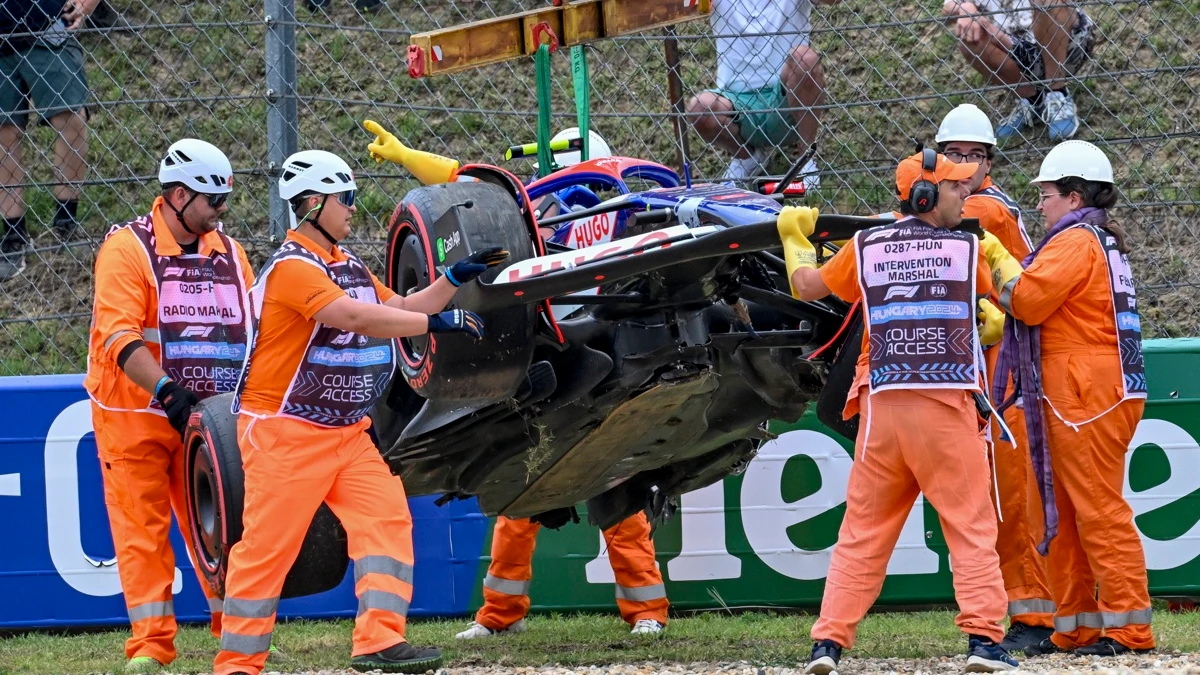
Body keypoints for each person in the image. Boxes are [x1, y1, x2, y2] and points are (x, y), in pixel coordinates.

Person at [214, 149, 506, 675]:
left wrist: (451, 281)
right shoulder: (292, 269)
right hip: (284, 433)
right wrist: (436, 326)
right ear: (311, 204)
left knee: (386, 521)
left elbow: (397, 308)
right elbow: (354, 316)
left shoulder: (345, 266)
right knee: (266, 552)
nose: (354, 207)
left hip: (346, 433)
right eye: (344, 198)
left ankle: (378, 641)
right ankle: (238, 663)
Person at [778, 151, 1017, 674]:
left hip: (882, 413)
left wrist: (795, 237)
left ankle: (828, 645)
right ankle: (984, 643)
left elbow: (807, 287)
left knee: (862, 534)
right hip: (945, 408)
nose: (965, 196)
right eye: (956, 188)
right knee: (970, 528)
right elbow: (1016, 294)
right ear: (927, 198)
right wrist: (998, 258)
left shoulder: (866, 245)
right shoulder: (967, 247)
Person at [85, 139, 252, 673]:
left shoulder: (229, 252)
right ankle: (152, 647)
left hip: (207, 417)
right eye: (213, 202)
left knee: (223, 529)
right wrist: (166, 392)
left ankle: (237, 637)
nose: (222, 212)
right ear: (179, 196)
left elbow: (250, 329)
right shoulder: (126, 250)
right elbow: (118, 337)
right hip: (135, 415)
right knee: (141, 533)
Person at [985, 140, 1154, 656]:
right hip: (1089, 388)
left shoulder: (1076, 241)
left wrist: (995, 255)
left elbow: (1030, 301)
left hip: (1086, 392)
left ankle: (1129, 630)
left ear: (1075, 196)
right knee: (1068, 512)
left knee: (1097, 510)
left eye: (1048, 194)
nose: (1040, 204)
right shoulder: (1093, 239)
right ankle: (1076, 626)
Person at [934, 103, 1054, 651]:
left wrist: (999, 317)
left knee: (1010, 493)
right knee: (987, 496)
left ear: (988, 162)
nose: (963, 164)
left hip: (1001, 366)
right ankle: (1013, 609)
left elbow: (1020, 283)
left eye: (974, 155)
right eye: (954, 154)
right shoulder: (951, 205)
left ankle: (1032, 614)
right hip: (973, 366)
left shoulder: (988, 209)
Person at [685, 0, 836, 184]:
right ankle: (747, 157)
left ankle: (806, 160)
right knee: (700, 108)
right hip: (736, 104)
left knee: (805, 60)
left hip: (788, 99)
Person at [455, 512, 670, 639]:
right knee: (514, 524)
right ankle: (500, 619)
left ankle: (648, 614)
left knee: (626, 521)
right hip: (537, 442)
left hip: (607, 444)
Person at [1, 0, 96, 280]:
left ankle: (67, 225)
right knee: (4, 133)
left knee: (71, 119)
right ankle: (13, 237)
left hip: (48, 26)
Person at [942, 0, 1096, 142]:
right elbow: (947, 8)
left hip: (1067, 42)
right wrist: (966, 9)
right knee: (968, 42)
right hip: (1015, 50)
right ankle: (1034, 100)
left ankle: (1057, 93)